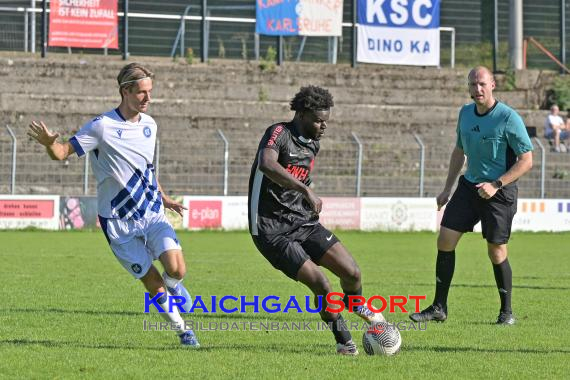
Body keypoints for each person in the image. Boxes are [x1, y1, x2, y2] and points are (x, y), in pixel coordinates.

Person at [27, 63, 200, 347]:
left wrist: (163, 195)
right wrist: (49, 143)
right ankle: (184, 332)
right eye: (142, 93)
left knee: (177, 270)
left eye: (150, 92)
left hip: (152, 213)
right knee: (151, 280)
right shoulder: (101, 127)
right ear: (125, 91)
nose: (148, 98)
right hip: (118, 222)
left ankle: (174, 285)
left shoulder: (150, 125)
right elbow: (61, 153)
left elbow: (147, 168)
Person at [248, 85, 384, 356]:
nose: (324, 126)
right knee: (322, 284)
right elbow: (266, 163)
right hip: (270, 230)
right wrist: (305, 189)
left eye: (326, 121)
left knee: (352, 272)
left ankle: (355, 304)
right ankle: (344, 341)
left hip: (302, 222)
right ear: (301, 114)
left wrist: (304, 199)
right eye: (319, 120)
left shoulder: (313, 143)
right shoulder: (279, 133)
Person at [409, 66, 533, 326]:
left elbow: (526, 161)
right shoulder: (465, 113)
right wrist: (447, 188)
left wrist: (497, 184)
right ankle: (439, 307)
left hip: (499, 192)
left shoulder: (508, 117)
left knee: (496, 251)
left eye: (482, 84)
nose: (477, 89)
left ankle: (506, 312)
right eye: (472, 84)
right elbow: (459, 151)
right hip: (469, 187)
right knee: (445, 240)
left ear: (492, 85)